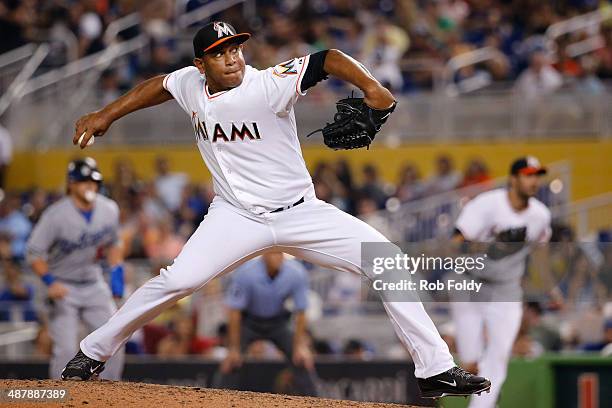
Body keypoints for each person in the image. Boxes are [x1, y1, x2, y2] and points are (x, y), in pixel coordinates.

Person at [62, 21, 490, 398]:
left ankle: (435, 370)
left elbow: (329, 58)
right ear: (201, 64)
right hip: (234, 216)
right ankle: (90, 353)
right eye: (219, 53)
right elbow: (158, 84)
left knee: (388, 261)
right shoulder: (189, 83)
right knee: (177, 280)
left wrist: (372, 88)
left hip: (300, 213)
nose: (232, 58)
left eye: (235, 48)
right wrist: (108, 114)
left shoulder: (268, 83)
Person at [450, 156, 552, 408]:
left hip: (507, 289)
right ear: (513, 179)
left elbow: (541, 249)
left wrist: (550, 287)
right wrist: (492, 246)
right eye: (528, 175)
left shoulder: (540, 215)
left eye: (537, 175)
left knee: (498, 358)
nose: (533, 181)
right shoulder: (487, 205)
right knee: (471, 361)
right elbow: (455, 243)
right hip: (471, 284)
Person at [26, 158, 125, 379]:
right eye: (83, 181)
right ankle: (61, 398)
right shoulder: (55, 215)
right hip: (63, 286)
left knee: (114, 339)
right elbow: (34, 253)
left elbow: (114, 243)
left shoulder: (109, 209)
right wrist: (50, 282)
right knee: (66, 350)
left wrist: (117, 271)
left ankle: (113, 398)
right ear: (71, 184)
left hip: (93, 282)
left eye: (93, 181)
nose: (89, 185)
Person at [217, 252, 316, 396]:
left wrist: (299, 345)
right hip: (250, 321)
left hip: (278, 322)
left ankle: (315, 400)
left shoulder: (296, 272)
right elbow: (234, 311)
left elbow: (301, 310)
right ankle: (215, 399)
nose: (276, 257)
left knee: (301, 359)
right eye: (272, 254)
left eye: (279, 254)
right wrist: (233, 347)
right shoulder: (246, 272)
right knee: (232, 361)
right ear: (264, 255)